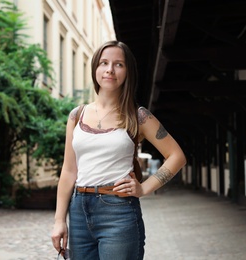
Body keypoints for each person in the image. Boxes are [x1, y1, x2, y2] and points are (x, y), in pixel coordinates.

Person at [51, 40, 186, 260]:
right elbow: (68, 171)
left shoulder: (138, 116)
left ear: (128, 72)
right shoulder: (76, 115)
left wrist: (144, 188)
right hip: (78, 210)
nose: (110, 70)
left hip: (118, 211)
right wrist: (59, 220)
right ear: (95, 68)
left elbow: (176, 156)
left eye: (118, 64)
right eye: (104, 63)